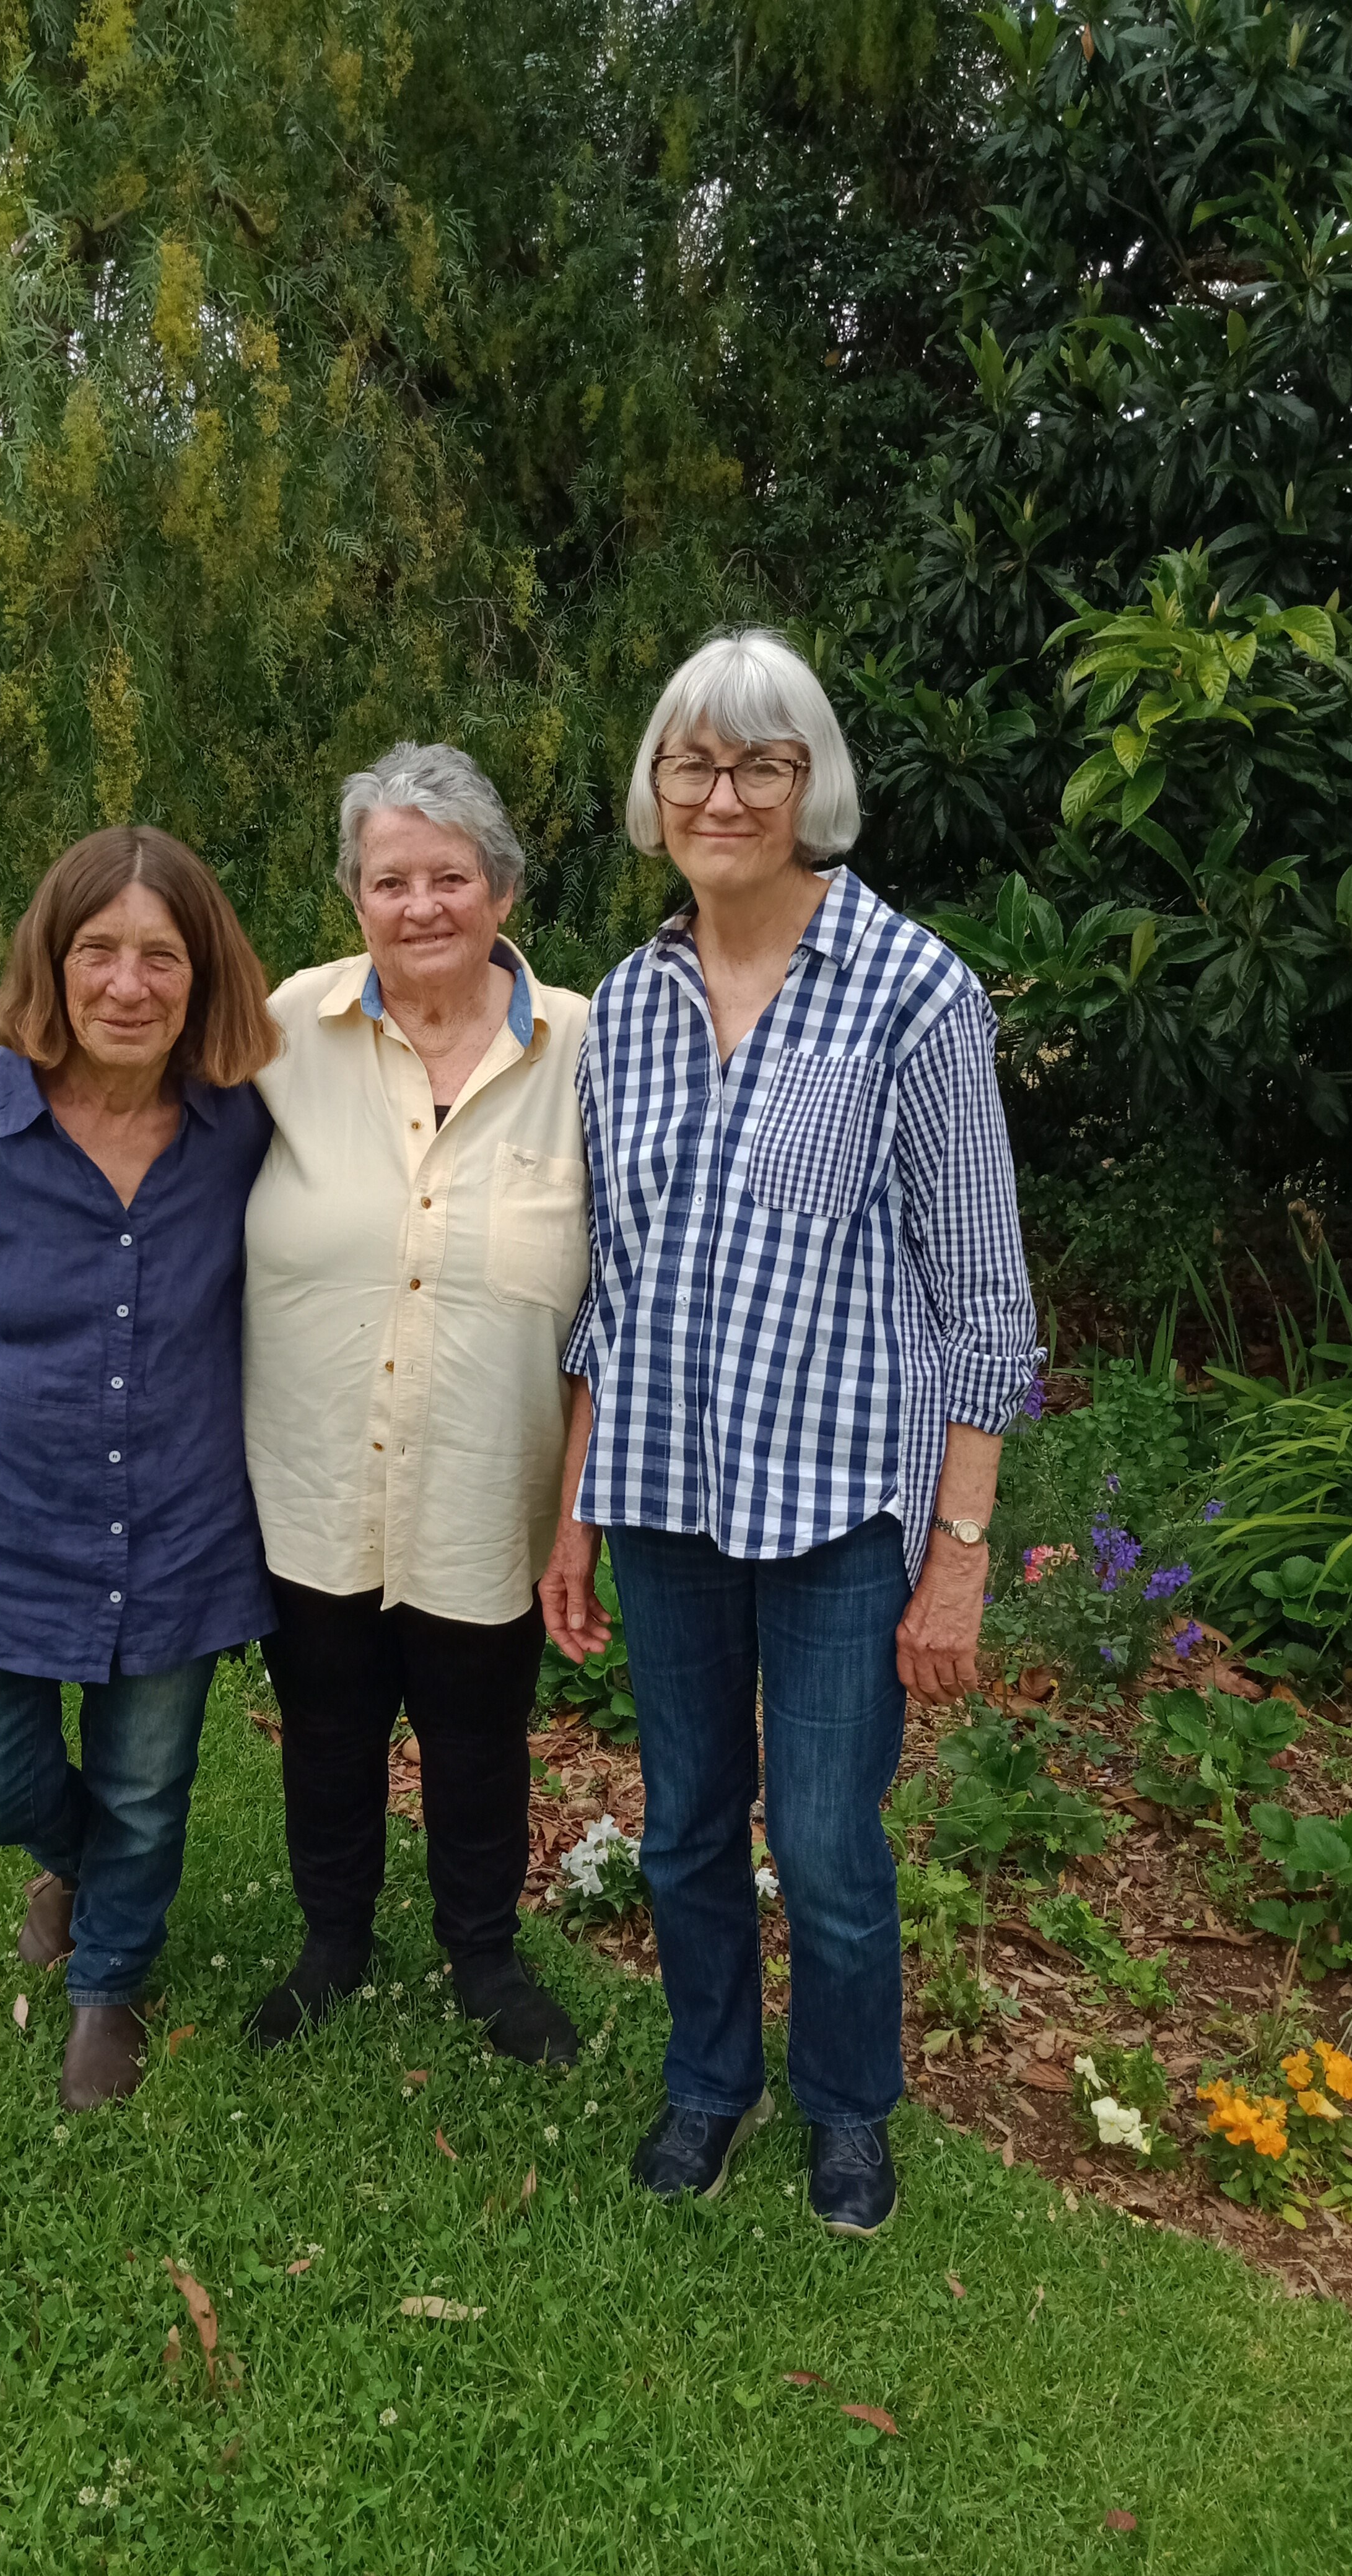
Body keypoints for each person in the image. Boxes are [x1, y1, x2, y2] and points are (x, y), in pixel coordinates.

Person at [541, 630, 1040, 2226]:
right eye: (694, 762)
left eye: (762, 763)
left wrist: (958, 1553)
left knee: (824, 1843)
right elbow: (611, 1284)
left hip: (837, 1514)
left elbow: (982, 1300)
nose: (725, 793)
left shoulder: (915, 990)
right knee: (684, 1826)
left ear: (811, 785)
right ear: (656, 792)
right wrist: (576, 1513)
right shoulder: (625, 1003)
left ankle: (847, 2103)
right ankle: (708, 2081)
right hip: (669, 1500)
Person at [0, 827, 278, 2112]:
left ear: (203, 976)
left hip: (184, 1516)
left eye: (162, 954)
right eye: (100, 951)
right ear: (54, 961)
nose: (129, 985)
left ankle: (110, 1984)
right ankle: (76, 1864)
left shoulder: (245, 1128)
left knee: (151, 1777)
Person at [242, 743, 591, 2066]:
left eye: (451, 875)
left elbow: (615, 1300)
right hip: (315, 1471)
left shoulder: (585, 1051)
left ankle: (485, 1955)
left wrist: (580, 1508)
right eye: (392, 879)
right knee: (324, 1720)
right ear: (355, 899)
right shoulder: (284, 1032)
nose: (422, 904)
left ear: (501, 890)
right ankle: (333, 1939)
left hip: (485, 1477)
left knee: (477, 1729)